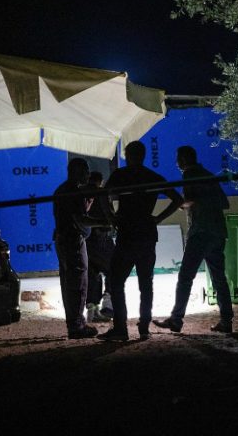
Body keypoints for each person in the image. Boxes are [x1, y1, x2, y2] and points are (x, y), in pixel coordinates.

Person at [96, 141, 183, 341]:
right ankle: (144, 326)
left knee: (117, 281)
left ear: (128, 155)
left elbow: (102, 194)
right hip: (147, 233)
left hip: (127, 234)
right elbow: (178, 200)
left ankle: (120, 328)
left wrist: (111, 217)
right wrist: (158, 218)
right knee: (146, 283)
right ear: (143, 155)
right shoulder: (152, 176)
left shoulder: (121, 175)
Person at [153, 145, 234, 334]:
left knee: (185, 277)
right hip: (218, 232)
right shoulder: (209, 175)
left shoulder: (189, 174)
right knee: (219, 278)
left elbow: (189, 200)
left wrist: (181, 204)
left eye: (178, 159)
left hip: (200, 232)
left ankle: (176, 319)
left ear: (183, 159)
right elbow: (225, 203)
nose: (177, 163)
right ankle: (226, 320)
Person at [53, 158, 107, 339]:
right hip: (73, 241)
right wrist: (104, 222)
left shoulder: (62, 190)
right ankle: (77, 326)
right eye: (85, 171)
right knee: (78, 283)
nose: (88, 175)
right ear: (77, 172)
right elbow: (80, 219)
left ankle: (74, 323)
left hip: (63, 239)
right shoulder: (74, 192)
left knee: (69, 283)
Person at [84, 171, 114, 322]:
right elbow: (109, 214)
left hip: (85, 240)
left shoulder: (80, 192)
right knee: (113, 270)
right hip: (101, 238)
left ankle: (92, 310)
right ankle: (108, 303)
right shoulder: (102, 193)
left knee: (92, 275)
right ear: (100, 181)